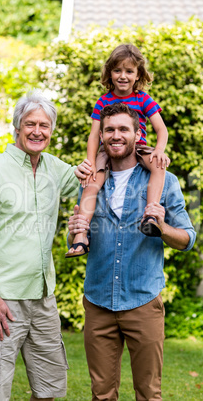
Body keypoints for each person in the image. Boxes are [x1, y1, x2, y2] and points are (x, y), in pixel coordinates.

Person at [68, 102, 196, 400]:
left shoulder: (165, 180)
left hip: (143, 302)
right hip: (98, 302)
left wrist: (163, 228)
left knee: (149, 393)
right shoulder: (91, 182)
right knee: (102, 394)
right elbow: (75, 242)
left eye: (123, 129)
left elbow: (187, 238)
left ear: (138, 134)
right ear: (101, 136)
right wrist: (75, 229)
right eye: (109, 129)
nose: (116, 135)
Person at [0, 91, 80, 401]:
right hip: (3, 298)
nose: (37, 131)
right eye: (30, 124)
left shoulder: (55, 169)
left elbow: (91, 180)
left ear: (52, 131)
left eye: (44, 125)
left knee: (49, 388)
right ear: (17, 126)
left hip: (43, 297)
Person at [66, 43, 170, 258]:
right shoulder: (103, 101)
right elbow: (95, 135)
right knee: (92, 182)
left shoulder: (143, 99)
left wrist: (159, 150)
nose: (123, 76)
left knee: (159, 166)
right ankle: (81, 235)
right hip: (108, 150)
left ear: (138, 74)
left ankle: (151, 214)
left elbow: (161, 129)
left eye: (129, 71)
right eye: (117, 70)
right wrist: (91, 162)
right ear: (109, 73)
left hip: (139, 148)